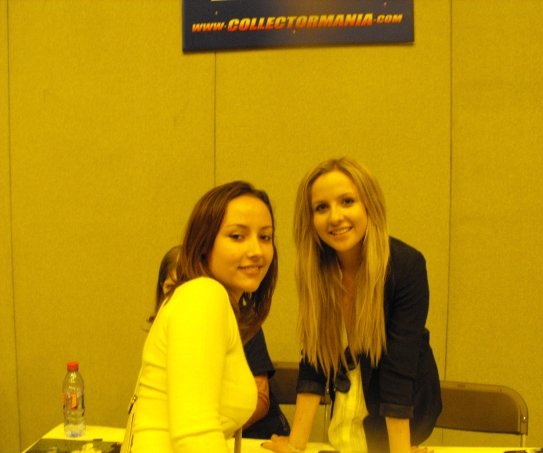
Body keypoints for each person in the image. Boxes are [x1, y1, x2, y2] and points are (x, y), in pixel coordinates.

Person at [262, 157, 442, 453]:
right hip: (344, 429)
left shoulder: (405, 266)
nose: (335, 217)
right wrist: (295, 444)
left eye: (347, 201)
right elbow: (314, 361)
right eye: (322, 207)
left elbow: (399, 368)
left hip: (398, 428)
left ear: (369, 203)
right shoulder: (316, 270)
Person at [127, 181, 278, 453]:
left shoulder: (202, 297)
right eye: (237, 236)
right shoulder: (204, 295)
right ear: (204, 243)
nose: (256, 251)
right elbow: (195, 437)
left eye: (265, 237)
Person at [151, 244, 290, 439]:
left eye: (186, 288)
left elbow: (261, 399)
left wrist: (215, 431)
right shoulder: (163, 330)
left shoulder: (242, 323)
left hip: (256, 437)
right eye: (169, 289)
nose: (179, 298)